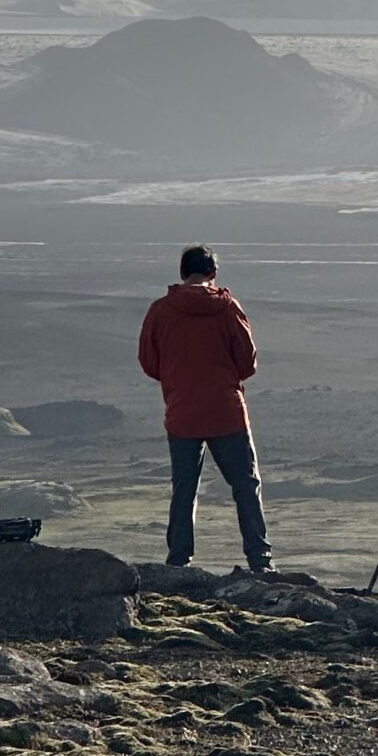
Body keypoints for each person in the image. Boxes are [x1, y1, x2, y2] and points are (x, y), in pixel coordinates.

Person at [138, 244, 273, 574]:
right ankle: (260, 561)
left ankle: (178, 561)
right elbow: (247, 362)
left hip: (182, 412)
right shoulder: (228, 309)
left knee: (184, 489)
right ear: (213, 273)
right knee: (246, 486)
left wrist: (177, 380)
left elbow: (149, 361)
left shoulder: (160, 311)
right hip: (226, 412)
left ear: (182, 272)